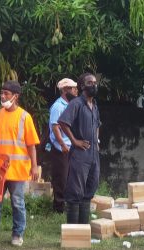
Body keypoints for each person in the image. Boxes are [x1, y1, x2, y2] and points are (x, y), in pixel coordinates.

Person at [0, 80, 40, 247]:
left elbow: (31, 145)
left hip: (17, 171)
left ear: (15, 96)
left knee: (17, 203)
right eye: (2, 93)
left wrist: (34, 166)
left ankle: (17, 235)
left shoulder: (25, 117)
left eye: (6, 94)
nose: (2, 96)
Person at [59, 73, 101, 224]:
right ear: (82, 86)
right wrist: (74, 141)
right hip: (80, 154)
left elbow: (97, 125)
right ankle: (73, 230)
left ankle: (84, 229)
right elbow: (63, 122)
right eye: (90, 82)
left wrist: (96, 140)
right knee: (76, 190)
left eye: (95, 82)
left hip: (93, 154)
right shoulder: (76, 103)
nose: (94, 85)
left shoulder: (94, 105)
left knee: (90, 188)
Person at [48, 77, 78, 213]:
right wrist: (62, 144)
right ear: (66, 90)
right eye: (73, 88)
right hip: (61, 148)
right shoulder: (58, 106)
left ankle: (66, 205)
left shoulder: (71, 105)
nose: (76, 91)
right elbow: (55, 127)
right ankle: (58, 207)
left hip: (70, 146)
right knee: (61, 177)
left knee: (69, 177)